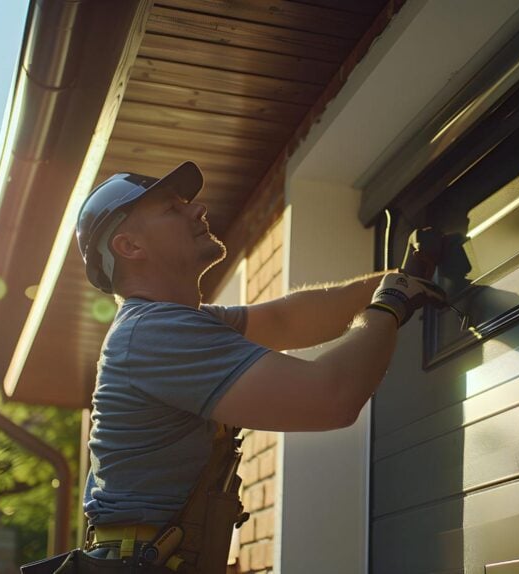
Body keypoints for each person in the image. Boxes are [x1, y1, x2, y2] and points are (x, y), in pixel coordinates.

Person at [72, 161, 445, 572]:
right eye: (172, 209)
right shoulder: (153, 334)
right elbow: (330, 397)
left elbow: (288, 319)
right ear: (130, 247)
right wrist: (390, 305)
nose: (198, 210)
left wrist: (395, 279)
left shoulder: (177, 325)